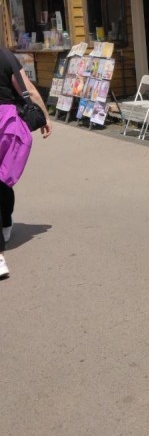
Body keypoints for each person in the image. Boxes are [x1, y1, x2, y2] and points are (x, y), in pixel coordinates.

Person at [0, 48, 53, 279]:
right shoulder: (5, 56)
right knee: (2, 178)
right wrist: (45, 116)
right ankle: (6, 222)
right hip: (6, 122)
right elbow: (27, 88)